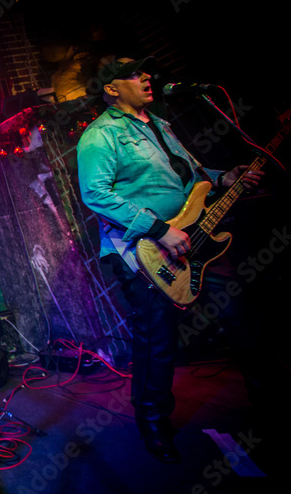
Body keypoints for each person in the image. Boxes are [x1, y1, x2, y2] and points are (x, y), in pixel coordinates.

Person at [77, 57, 263, 463]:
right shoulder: (100, 135)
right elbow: (95, 194)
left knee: (242, 318)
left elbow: (187, 174)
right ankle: (153, 424)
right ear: (111, 89)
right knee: (158, 341)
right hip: (145, 253)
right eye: (134, 74)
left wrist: (222, 177)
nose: (146, 77)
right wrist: (159, 229)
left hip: (199, 242)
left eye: (146, 72)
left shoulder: (160, 124)